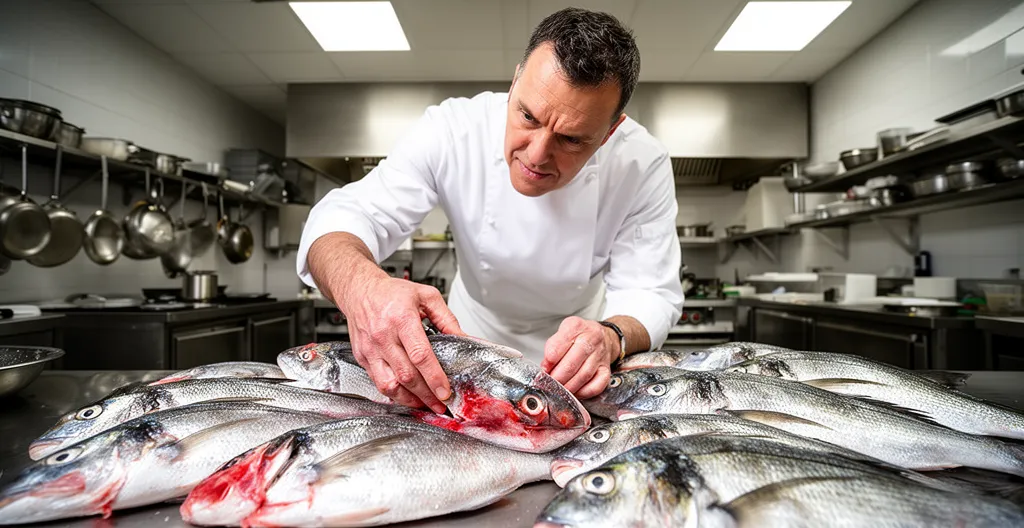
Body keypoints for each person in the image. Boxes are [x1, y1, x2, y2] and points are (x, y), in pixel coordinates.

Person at [297, 7, 684, 415]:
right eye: (527, 116)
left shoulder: (641, 162)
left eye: (571, 140)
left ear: (609, 133)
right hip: (468, 345)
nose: (536, 155)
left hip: (580, 359)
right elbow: (345, 217)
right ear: (516, 80)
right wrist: (364, 289)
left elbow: (650, 291)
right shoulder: (453, 129)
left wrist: (610, 337)